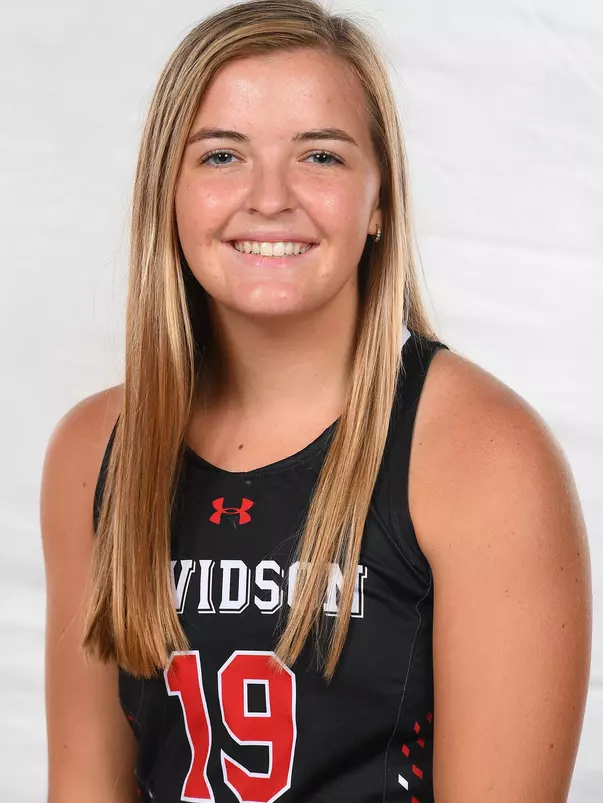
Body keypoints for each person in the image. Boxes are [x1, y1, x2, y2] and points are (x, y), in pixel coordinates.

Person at [40, 1, 592, 801]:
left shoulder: (479, 452)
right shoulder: (95, 448)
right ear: (169, 192)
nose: (270, 197)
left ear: (378, 203)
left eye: (321, 157)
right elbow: (85, 785)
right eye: (222, 155)